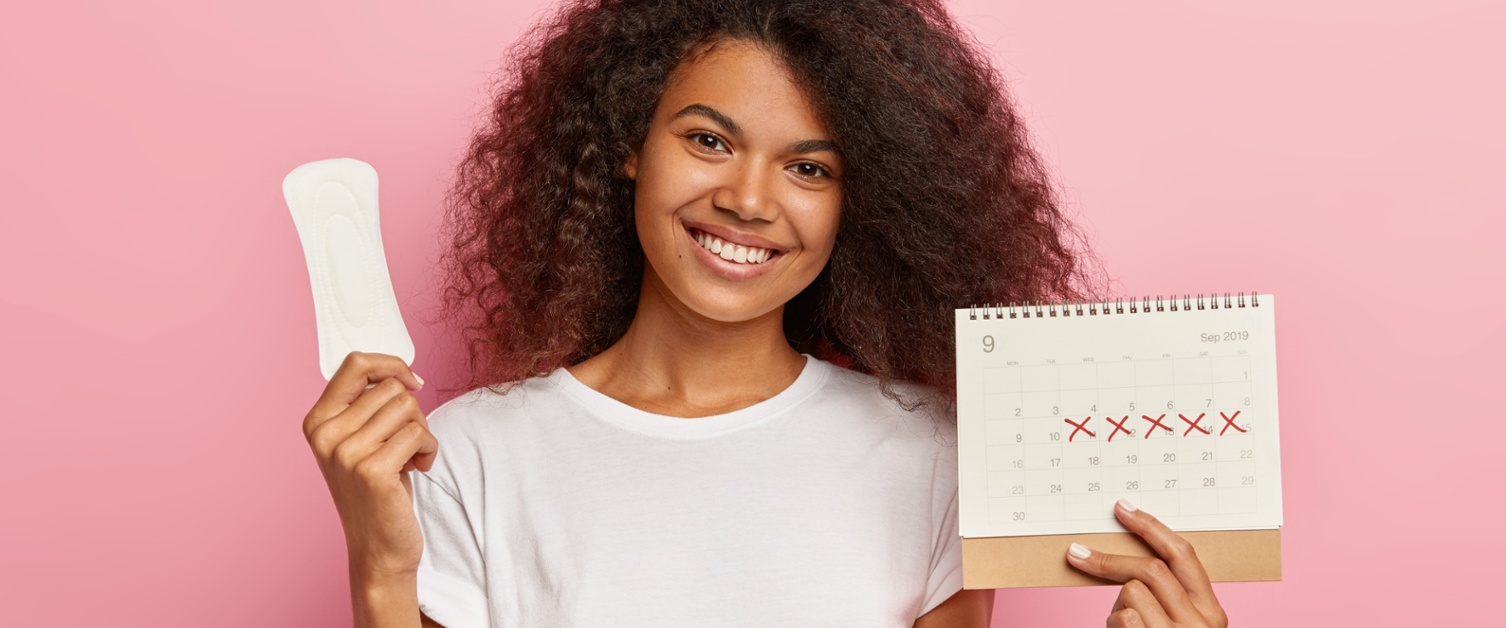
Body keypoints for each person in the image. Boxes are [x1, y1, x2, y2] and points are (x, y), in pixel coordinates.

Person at [301, 0, 1232, 626]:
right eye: (709, 139)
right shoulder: (466, 457)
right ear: (630, 144)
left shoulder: (938, 455)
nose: (749, 199)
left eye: (809, 167)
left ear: (863, 202)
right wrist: (381, 568)